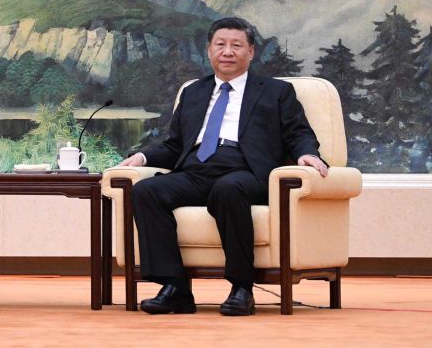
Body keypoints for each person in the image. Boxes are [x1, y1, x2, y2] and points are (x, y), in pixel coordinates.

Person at [118, 17, 328, 316]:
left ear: (251, 52)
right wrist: (143, 157)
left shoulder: (275, 92)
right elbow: (175, 144)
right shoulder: (193, 92)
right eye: (221, 45)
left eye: (236, 45)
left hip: (245, 171)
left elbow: (298, 133)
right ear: (209, 51)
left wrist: (307, 154)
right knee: (147, 191)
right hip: (196, 169)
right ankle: (175, 287)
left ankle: (241, 288)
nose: (227, 51)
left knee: (228, 189)